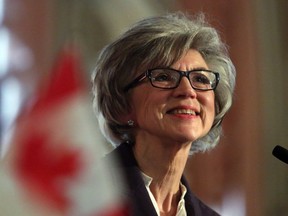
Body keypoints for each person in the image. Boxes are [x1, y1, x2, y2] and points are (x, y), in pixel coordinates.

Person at [92, 12, 236, 216]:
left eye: (201, 79)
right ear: (123, 105)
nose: (188, 90)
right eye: (163, 77)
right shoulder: (85, 196)